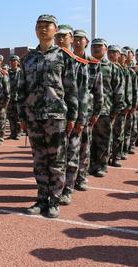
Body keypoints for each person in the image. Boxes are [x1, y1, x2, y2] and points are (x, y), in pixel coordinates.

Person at [17, 15, 78, 218]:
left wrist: (73, 116)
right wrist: (22, 116)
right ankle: (42, 198)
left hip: (56, 117)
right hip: (33, 116)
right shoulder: (28, 59)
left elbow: (71, 89)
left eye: (47, 26)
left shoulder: (64, 57)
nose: (43, 30)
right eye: (39, 26)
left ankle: (54, 200)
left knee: (57, 160)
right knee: (39, 161)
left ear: (55, 29)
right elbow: (21, 89)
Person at [54, 25, 88, 207]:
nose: (60, 39)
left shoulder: (78, 63)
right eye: (57, 36)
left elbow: (82, 94)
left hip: (72, 118)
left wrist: (80, 119)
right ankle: (55, 189)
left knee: (72, 153)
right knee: (56, 157)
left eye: (64, 36)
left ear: (72, 39)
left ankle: (68, 189)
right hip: (53, 118)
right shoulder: (49, 59)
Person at [72, 29, 103, 191]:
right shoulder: (66, 61)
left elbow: (98, 91)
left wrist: (96, 112)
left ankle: (81, 178)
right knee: (68, 149)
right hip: (67, 113)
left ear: (86, 42)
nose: (77, 42)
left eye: (80, 39)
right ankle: (67, 179)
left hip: (86, 113)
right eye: (75, 39)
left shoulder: (93, 64)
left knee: (84, 147)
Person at [89, 39, 124, 177]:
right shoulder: (86, 65)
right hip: (88, 110)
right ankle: (89, 165)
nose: (96, 49)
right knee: (88, 140)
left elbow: (119, 90)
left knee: (103, 139)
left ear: (105, 49)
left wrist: (116, 111)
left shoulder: (113, 68)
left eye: (99, 46)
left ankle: (101, 165)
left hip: (105, 110)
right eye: (94, 46)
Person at [6, 55, 22, 140]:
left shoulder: (21, 73)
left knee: (18, 117)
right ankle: (13, 133)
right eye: (11, 61)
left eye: (14, 61)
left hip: (18, 98)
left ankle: (18, 133)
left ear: (18, 62)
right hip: (10, 98)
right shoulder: (8, 72)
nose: (13, 62)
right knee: (11, 117)